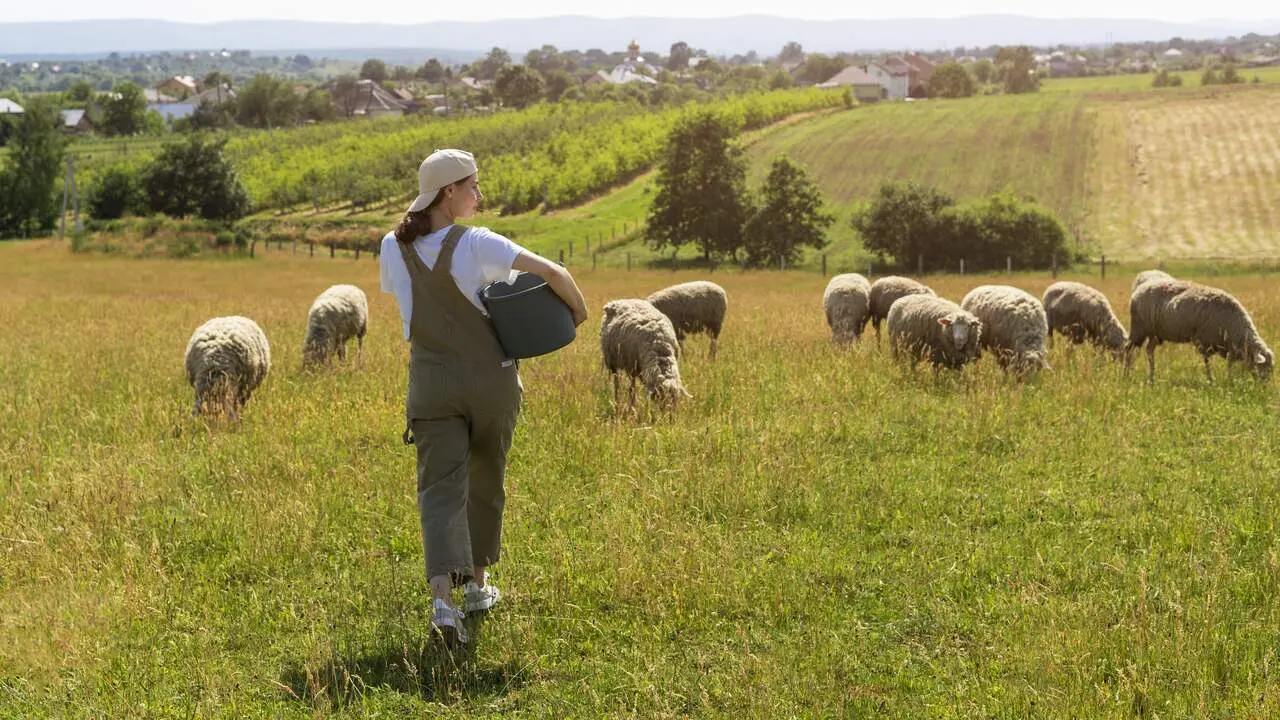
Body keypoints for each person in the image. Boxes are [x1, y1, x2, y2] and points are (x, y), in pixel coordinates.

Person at [379, 149, 589, 645]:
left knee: (438, 489)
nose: (479, 195)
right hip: (489, 382)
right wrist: (578, 316)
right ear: (448, 192)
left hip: (430, 383)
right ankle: (477, 586)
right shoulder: (477, 242)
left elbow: (408, 307)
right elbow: (554, 274)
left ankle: (441, 605)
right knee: (485, 476)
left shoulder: (393, 245)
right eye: (473, 186)